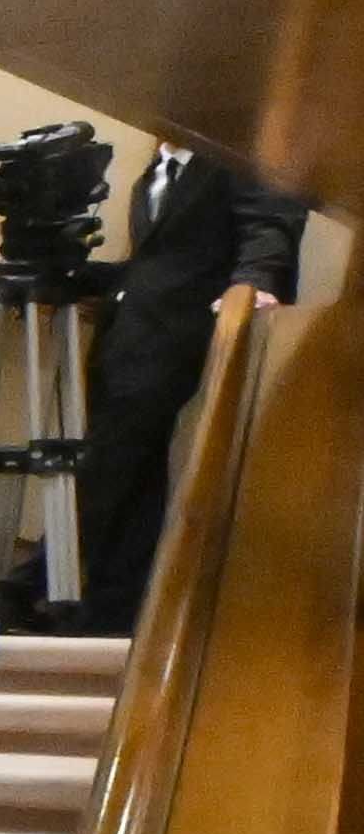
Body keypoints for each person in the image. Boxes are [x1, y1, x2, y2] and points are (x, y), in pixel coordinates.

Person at [67, 136, 306, 633]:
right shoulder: (158, 168)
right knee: (131, 475)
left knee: (112, 467)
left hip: (175, 340)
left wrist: (257, 282)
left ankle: (51, 594)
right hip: (125, 337)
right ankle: (111, 612)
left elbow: (269, 226)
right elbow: (154, 263)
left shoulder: (235, 157)